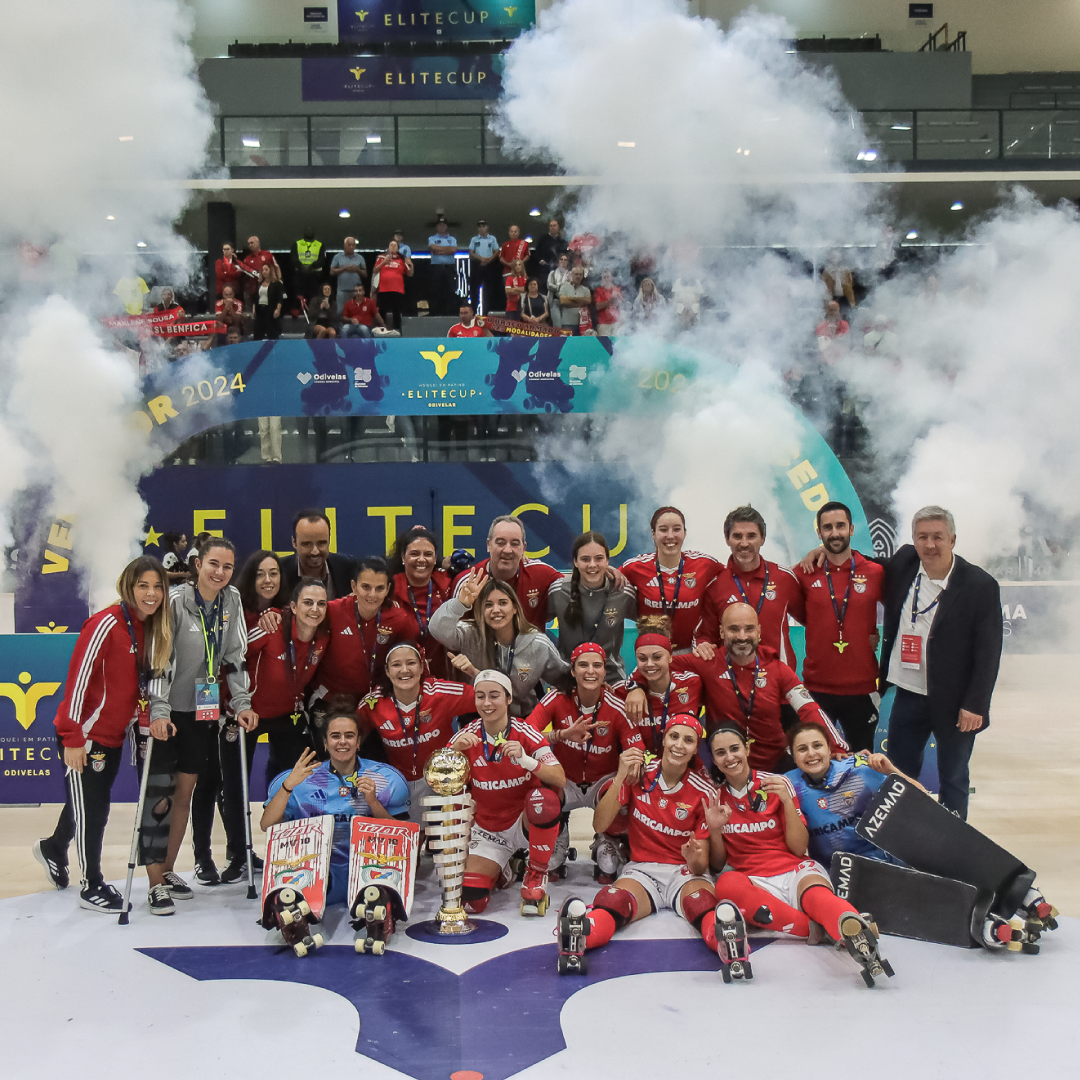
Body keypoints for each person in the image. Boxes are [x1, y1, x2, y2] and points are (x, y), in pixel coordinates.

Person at [33, 557, 173, 911]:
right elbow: (77, 681)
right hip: (85, 735)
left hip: (113, 736)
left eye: (157, 587)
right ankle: (91, 884)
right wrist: (73, 737)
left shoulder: (151, 628)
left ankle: (53, 848)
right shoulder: (105, 624)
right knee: (94, 810)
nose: (151, 593)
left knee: (86, 802)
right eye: (143, 586)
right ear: (129, 586)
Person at [705, 724, 892, 984]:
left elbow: (797, 848)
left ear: (747, 749)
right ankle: (821, 928)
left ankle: (854, 930)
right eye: (721, 753)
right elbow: (717, 865)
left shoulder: (778, 783)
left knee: (818, 896)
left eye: (735, 749)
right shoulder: (715, 797)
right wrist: (714, 829)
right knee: (725, 883)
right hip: (754, 881)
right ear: (714, 759)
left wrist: (786, 803)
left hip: (794, 870)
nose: (729, 757)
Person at [147, 538, 256, 914]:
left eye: (227, 567)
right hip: (168, 712)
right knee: (160, 796)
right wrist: (159, 709)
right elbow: (161, 657)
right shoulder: (176, 601)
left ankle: (167, 870)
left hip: (203, 710)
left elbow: (235, 656)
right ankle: (154, 882)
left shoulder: (232, 600)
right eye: (213, 564)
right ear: (197, 564)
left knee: (185, 792)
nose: (220, 572)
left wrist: (242, 702)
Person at [879, 506, 1002, 818]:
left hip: (956, 701)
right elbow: (863, 564)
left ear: (952, 540)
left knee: (953, 777)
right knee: (898, 774)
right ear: (913, 540)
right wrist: (822, 552)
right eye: (922, 537)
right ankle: (902, 835)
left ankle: (953, 842)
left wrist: (976, 704)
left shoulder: (979, 585)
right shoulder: (905, 562)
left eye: (938, 537)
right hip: (908, 693)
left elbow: (988, 652)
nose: (930, 544)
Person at [569, 714, 722, 955]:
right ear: (664, 739)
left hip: (683, 872)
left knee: (701, 903)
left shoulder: (704, 792)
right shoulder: (637, 774)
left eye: (688, 740)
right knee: (613, 901)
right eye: (674, 736)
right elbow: (599, 825)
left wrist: (693, 858)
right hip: (642, 869)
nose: (679, 745)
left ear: (695, 749)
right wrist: (620, 776)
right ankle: (580, 935)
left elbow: (700, 866)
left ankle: (727, 941)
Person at [629, 604, 847, 770]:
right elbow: (655, 663)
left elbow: (808, 708)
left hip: (774, 765)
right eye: (734, 629)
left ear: (758, 632)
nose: (742, 637)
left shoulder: (778, 668)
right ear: (722, 632)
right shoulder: (707, 661)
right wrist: (636, 685)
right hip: (725, 765)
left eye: (748, 629)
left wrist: (836, 746)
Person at [216, 578, 331, 885]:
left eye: (321, 603)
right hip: (246, 714)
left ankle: (290, 846)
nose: (315, 609)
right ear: (293, 606)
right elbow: (232, 656)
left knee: (299, 779)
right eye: (308, 603)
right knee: (235, 785)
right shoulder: (271, 627)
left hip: (287, 714)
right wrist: (237, 702)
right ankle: (238, 854)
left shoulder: (323, 636)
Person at [261, 709, 410, 905]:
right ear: (325, 742)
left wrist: (373, 803)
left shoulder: (387, 778)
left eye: (349, 735)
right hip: (315, 871)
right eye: (335, 736)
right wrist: (288, 786)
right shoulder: (298, 779)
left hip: (368, 871)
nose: (342, 742)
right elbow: (267, 825)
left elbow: (402, 839)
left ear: (358, 742)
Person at [450, 670, 566, 915]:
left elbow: (559, 777)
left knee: (545, 800)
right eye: (480, 696)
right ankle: (504, 870)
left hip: (525, 822)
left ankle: (536, 873)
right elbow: (439, 782)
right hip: (489, 830)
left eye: (494, 696)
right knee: (472, 902)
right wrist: (454, 754)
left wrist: (527, 761)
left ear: (509, 698)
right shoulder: (465, 736)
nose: (487, 703)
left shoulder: (526, 732)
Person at [526, 643, 644, 880]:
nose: (590, 671)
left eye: (597, 665)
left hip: (602, 781)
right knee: (541, 793)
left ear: (604, 671)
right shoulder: (556, 698)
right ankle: (558, 835)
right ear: (573, 671)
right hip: (565, 780)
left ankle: (608, 839)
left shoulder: (616, 706)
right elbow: (525, 734)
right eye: (583, 665)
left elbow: (637, 749)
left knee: (626, 786)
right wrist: (561, 735)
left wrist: (632, 765)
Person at [792, 501, 884, 752]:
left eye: (840, 526)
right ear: (819, 533)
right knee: (817, 762)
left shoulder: (875, 572)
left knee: (862, 761)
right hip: (817, 689)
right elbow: (798, 608)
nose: (835, 533)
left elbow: (901, 612)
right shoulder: (805, 572)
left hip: (862, 690)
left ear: (852, 529)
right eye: (828, 527)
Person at [360, 642, 476, 823]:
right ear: (387, 671)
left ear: (422, 667)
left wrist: (474, 673)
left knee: (443, 837)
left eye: (411, 663)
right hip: (399, 785)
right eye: (396, 665)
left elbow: (493, 696)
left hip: (442, 781)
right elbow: (352, 735)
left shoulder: (440, 692)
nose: (404, 670)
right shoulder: (372, 704)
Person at [431, 567, 570, 717]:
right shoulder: (469, 634)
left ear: (515, 608)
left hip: (522, 719)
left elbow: (564, 679)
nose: (495, 610)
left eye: (503, 603)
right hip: (478, 717)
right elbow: (437, 629)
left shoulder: (537, 643)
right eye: (488, 605)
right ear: (481, 610)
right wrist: (460, 604)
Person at [785, 722, 919, 868]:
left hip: (883, 864)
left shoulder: (860, 767)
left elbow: (922, 797)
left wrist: (891, 771)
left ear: (829, 749)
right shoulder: (788, 785)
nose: (811, 753)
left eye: (817, 745)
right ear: (793, 756)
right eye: (802, 749)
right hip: (834, 872)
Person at [696, 505, 804, 666]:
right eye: (737, 536)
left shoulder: (784, 578)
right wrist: (703, 644)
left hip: (779, 678)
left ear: (763, 538)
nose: (744, 543)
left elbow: (814, 619)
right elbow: (706, 636)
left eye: (751, 536)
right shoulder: (715, 586)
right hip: (732, 678)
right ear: (727, 539)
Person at [311, 556, 417, 708]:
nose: (372, 594)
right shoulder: (332, 611)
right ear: (354, 586)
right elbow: (300, 616)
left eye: (379, 588)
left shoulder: (399, 620)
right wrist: (276, 614)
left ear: (387, 589)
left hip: (375, 702)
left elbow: (415, 657)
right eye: (366, 587)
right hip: (331, 700)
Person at [620, 506, 719, 653]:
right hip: (651, 653)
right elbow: (608, 580)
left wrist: (707, 638)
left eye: (677, 529)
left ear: (685, 533)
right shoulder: (636, 567)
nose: (670, 536)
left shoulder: (704, 564)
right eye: (663, 530)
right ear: (653, 534)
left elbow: (732, 579)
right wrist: (609, 570)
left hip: (691, 653)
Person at [547, 531, 636, 683]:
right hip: (567, 678)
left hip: (611, 678)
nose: (592, 565)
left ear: (607, 561)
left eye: (599, 558)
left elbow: (649, 623)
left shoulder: (622, 591)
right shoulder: (559, 591)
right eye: (585, 559)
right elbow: (533, 624)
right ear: (575, 562)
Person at [450, 514, 563, 629]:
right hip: (481, 641)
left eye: (515, 544)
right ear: (489, 545)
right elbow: (452, 633)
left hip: (531, 640)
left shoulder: (543, 575)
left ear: (523, 548)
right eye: (500, 543)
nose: (508, 550)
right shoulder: (467, 582)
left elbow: (571, 592)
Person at [619, 619, 702, 757]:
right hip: (641, 765)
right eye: (642, 658)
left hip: (684, 764)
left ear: (670, 657)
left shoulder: (692, 683)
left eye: (657, 657)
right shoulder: (622, 692)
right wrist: (634, 687)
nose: (650, 664)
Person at [390, 525, 453, 679]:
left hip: (443, 678)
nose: (421, 559)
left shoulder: (449, 585)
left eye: (428, 554)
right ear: (403, 558)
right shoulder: (388, 589)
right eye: (414, 554)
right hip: (402, 676)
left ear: (435, 558)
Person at [280, 510, 354, 600]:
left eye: (321, 543)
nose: (315, 552)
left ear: (329, 540)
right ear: (294, 542)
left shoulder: (348, 568)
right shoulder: (280, 572)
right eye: (307, 544)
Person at [373, 239, 413, 332]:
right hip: (383, 289)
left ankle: (397, 330)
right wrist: (383, 262)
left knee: (396, 310)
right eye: (391, 245)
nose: (393, 247)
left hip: (397, 289)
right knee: (382, 310)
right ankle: (381, 330)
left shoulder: (402, 258)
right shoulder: (381, 257)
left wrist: (411, 264)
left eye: (395, 245)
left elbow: (410, 274)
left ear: (398, 248)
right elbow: (375, 270)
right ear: (388, 247)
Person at [427, 216, 459, 316]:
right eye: (440, 225)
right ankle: (434, 313)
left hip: (449, 267)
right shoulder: (432, 238)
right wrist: (446, 250)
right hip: (436, 268)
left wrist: (439, 250)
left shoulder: (452, 239)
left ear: (446, 226)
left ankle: (450, 312)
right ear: (437, 226)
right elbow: (432, 248)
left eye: (443, 225)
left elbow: (453, 250)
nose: (442, 227)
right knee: (435, 290)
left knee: (450, 290)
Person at [468, 219, 501, 312]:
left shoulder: (492, 238)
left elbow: (497, 251)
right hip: (477, 265)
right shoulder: (474, 239)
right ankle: (474, 311)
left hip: (490, 265)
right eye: (480, 227)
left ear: (487, 227)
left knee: (489, 289)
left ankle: (488, 311)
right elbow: (471, 252)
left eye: (483, 226)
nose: (482, 228)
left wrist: (489, 259)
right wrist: (480, 258)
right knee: (475, 288)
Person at [330, 236, 368, 313]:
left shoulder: (360, 258)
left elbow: (365, 274)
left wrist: (357, 269)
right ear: (344, 246)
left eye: (353, 245)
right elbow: (332, 272)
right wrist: (344, 268)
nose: (351, 247)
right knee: (340, 311)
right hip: (342, 290)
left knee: (356, 310)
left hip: (356, 290)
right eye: (349, 245)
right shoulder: (337, 257)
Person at [251, 262, 283, 340]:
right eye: (262, 270)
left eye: (266, 270)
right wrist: (254, 310)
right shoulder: (259, 283)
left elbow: (279, 298)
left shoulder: (276, 284)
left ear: (270, 271)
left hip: (270, 309)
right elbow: (255, 298)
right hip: (260, 309)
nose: (264, 272)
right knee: (258, 332)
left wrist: (278, 309)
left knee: (272, 332)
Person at [242, 235, 277, 306]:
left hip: (267, 286)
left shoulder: (268, 255)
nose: (250, 245)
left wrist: (278, 280)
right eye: (249, 243)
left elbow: (275, 267)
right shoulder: (247, 259)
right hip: (253, 288)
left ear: (258, 243)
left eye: (252, 243)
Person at [291, 228, 324, 303]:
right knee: (299, 297)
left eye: (311, 230)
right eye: (307, 230)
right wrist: (301, 266)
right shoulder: (297, 244)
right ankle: (300, 308)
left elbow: (322, 260)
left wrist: (311, 266)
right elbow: (293, 258)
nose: (309, 232)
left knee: (314, 298)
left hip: (314, 276)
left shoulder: (320, 245)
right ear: (304, 232)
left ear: (314, 233)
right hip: (300, 275)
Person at [558, 265, 591, 335]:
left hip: (583, 324)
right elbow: (563, 301)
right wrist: (580, 302)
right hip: (567, 323)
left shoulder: (586, 290)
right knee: (567, 342)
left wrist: (570, 299)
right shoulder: (564, 287)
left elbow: (587, 301)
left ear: (582, 276)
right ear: (572, 275)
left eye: (580, 274)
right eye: (576, 274)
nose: (578, 276)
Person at [533, 217, 568, 283]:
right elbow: (536, 252)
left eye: (554, 225)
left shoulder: (562, 242)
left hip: (558, 270)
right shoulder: (542, 239)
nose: (552, 227)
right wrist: (540, 260)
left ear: (558, 227)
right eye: (551, 226)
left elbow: (565, 254)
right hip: (544, 270)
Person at [593, 269, 623, 336]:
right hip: (603, 323)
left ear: (611, 278)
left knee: (616, 342)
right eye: (604, 277)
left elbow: (622, 305)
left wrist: (619, 299)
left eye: (608, 277)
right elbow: (598, 306)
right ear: (602, 278)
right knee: (604, 342)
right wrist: (610, 301)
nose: (606, 279)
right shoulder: (598, 290)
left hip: (616, 322)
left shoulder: (617, 289)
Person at [546, 252, 572, 328]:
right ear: (558, 261)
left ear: (567, 262)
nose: (563, 261)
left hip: (566, 302)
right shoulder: (552, 273)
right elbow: (549, 285)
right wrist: (560, 287)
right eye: (561, 259)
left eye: (565, 260)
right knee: (557, 325)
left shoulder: (570, 274)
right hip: (555, 301)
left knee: (566, 325)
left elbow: (571, 288)